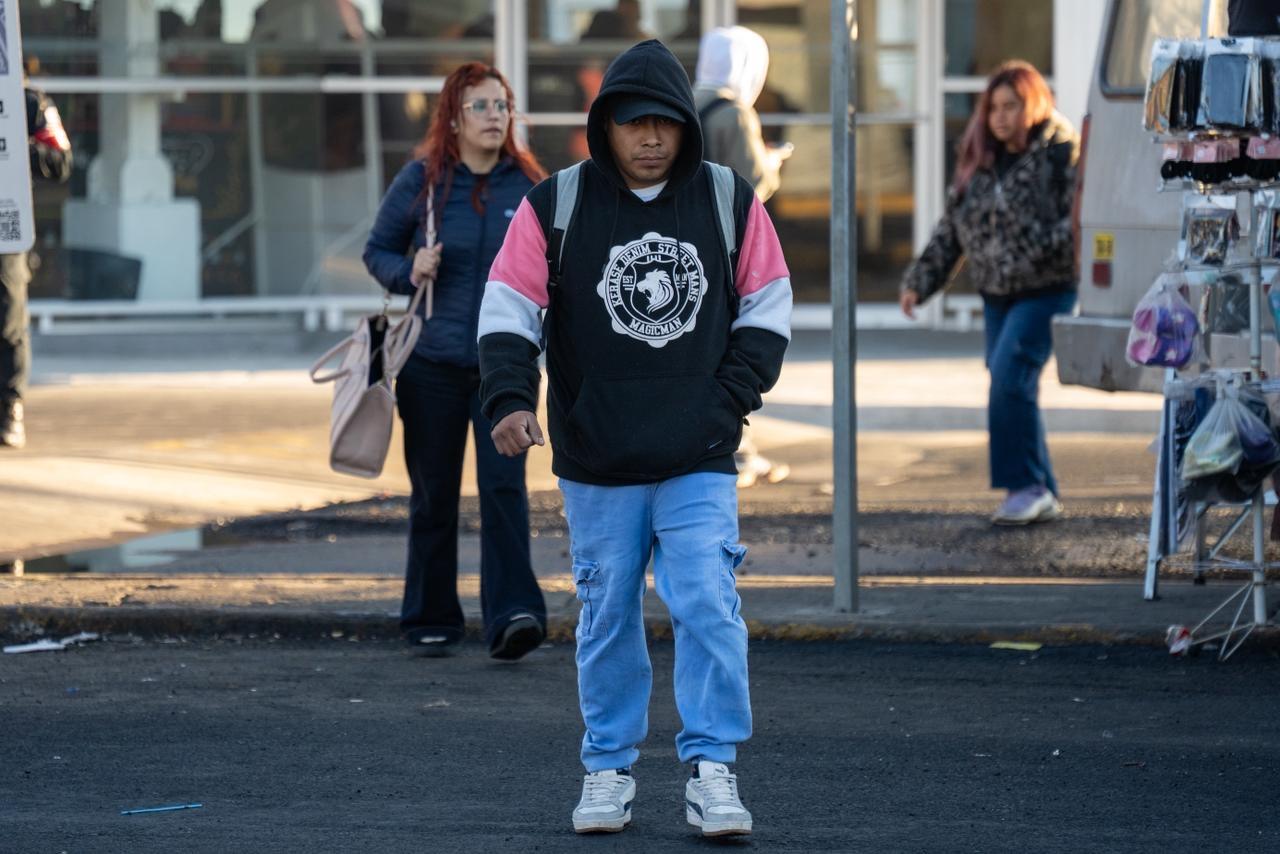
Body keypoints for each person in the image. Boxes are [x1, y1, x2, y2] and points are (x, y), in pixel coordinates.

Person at [477, 40, 792, 837]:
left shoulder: (727, 198)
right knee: (607, 615)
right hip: (597, 457)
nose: (650, 137)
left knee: (708, 603)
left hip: (698, 454)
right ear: (606, 126)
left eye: (665, 122)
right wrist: (509, 398)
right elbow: (508, 309)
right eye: (632, 123)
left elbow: (768, 306)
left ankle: (712, 769)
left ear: (686, 123)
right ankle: (608, 768)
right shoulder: (556, 204)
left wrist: (723, 405)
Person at [362, 63, 548, 660]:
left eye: (502, 105)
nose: (495, 116)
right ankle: (431, 616)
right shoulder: (423, 180)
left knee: (504, 489)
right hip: (432, 365)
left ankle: (513, 615)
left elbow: (557, 265)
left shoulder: (530, 186)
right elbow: (377, 250)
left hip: (505, 369)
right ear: (453, 117)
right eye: (480, 106)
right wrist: (409, 268)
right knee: (434, 493)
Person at [899, 60, 1079, 526]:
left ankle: (1025, 487)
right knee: (1013, 387)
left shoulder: (1061, 153)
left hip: (1046, 290)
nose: (1000, 117)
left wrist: (1037, 250)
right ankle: (1043, 489)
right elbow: (952, 230)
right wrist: (920, 282)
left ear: (1032, 105)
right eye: (993, 107)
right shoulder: (980, 159)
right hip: (997, 295)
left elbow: (1078, 223)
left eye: (1010, 106)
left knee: (1008, 381)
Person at [694, 24, 793, 488]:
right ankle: (734, 450)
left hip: (687, 243)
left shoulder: (684, 103)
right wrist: (772, 162)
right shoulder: (734, 113)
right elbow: (751, 186)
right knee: (731, 348)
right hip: (726, 250)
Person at [0, 80, 72, 449]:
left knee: (9, 321)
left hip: (6, 231)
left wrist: (16, 146)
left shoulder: (28, 100)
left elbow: (61, 161)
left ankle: (9, 407)